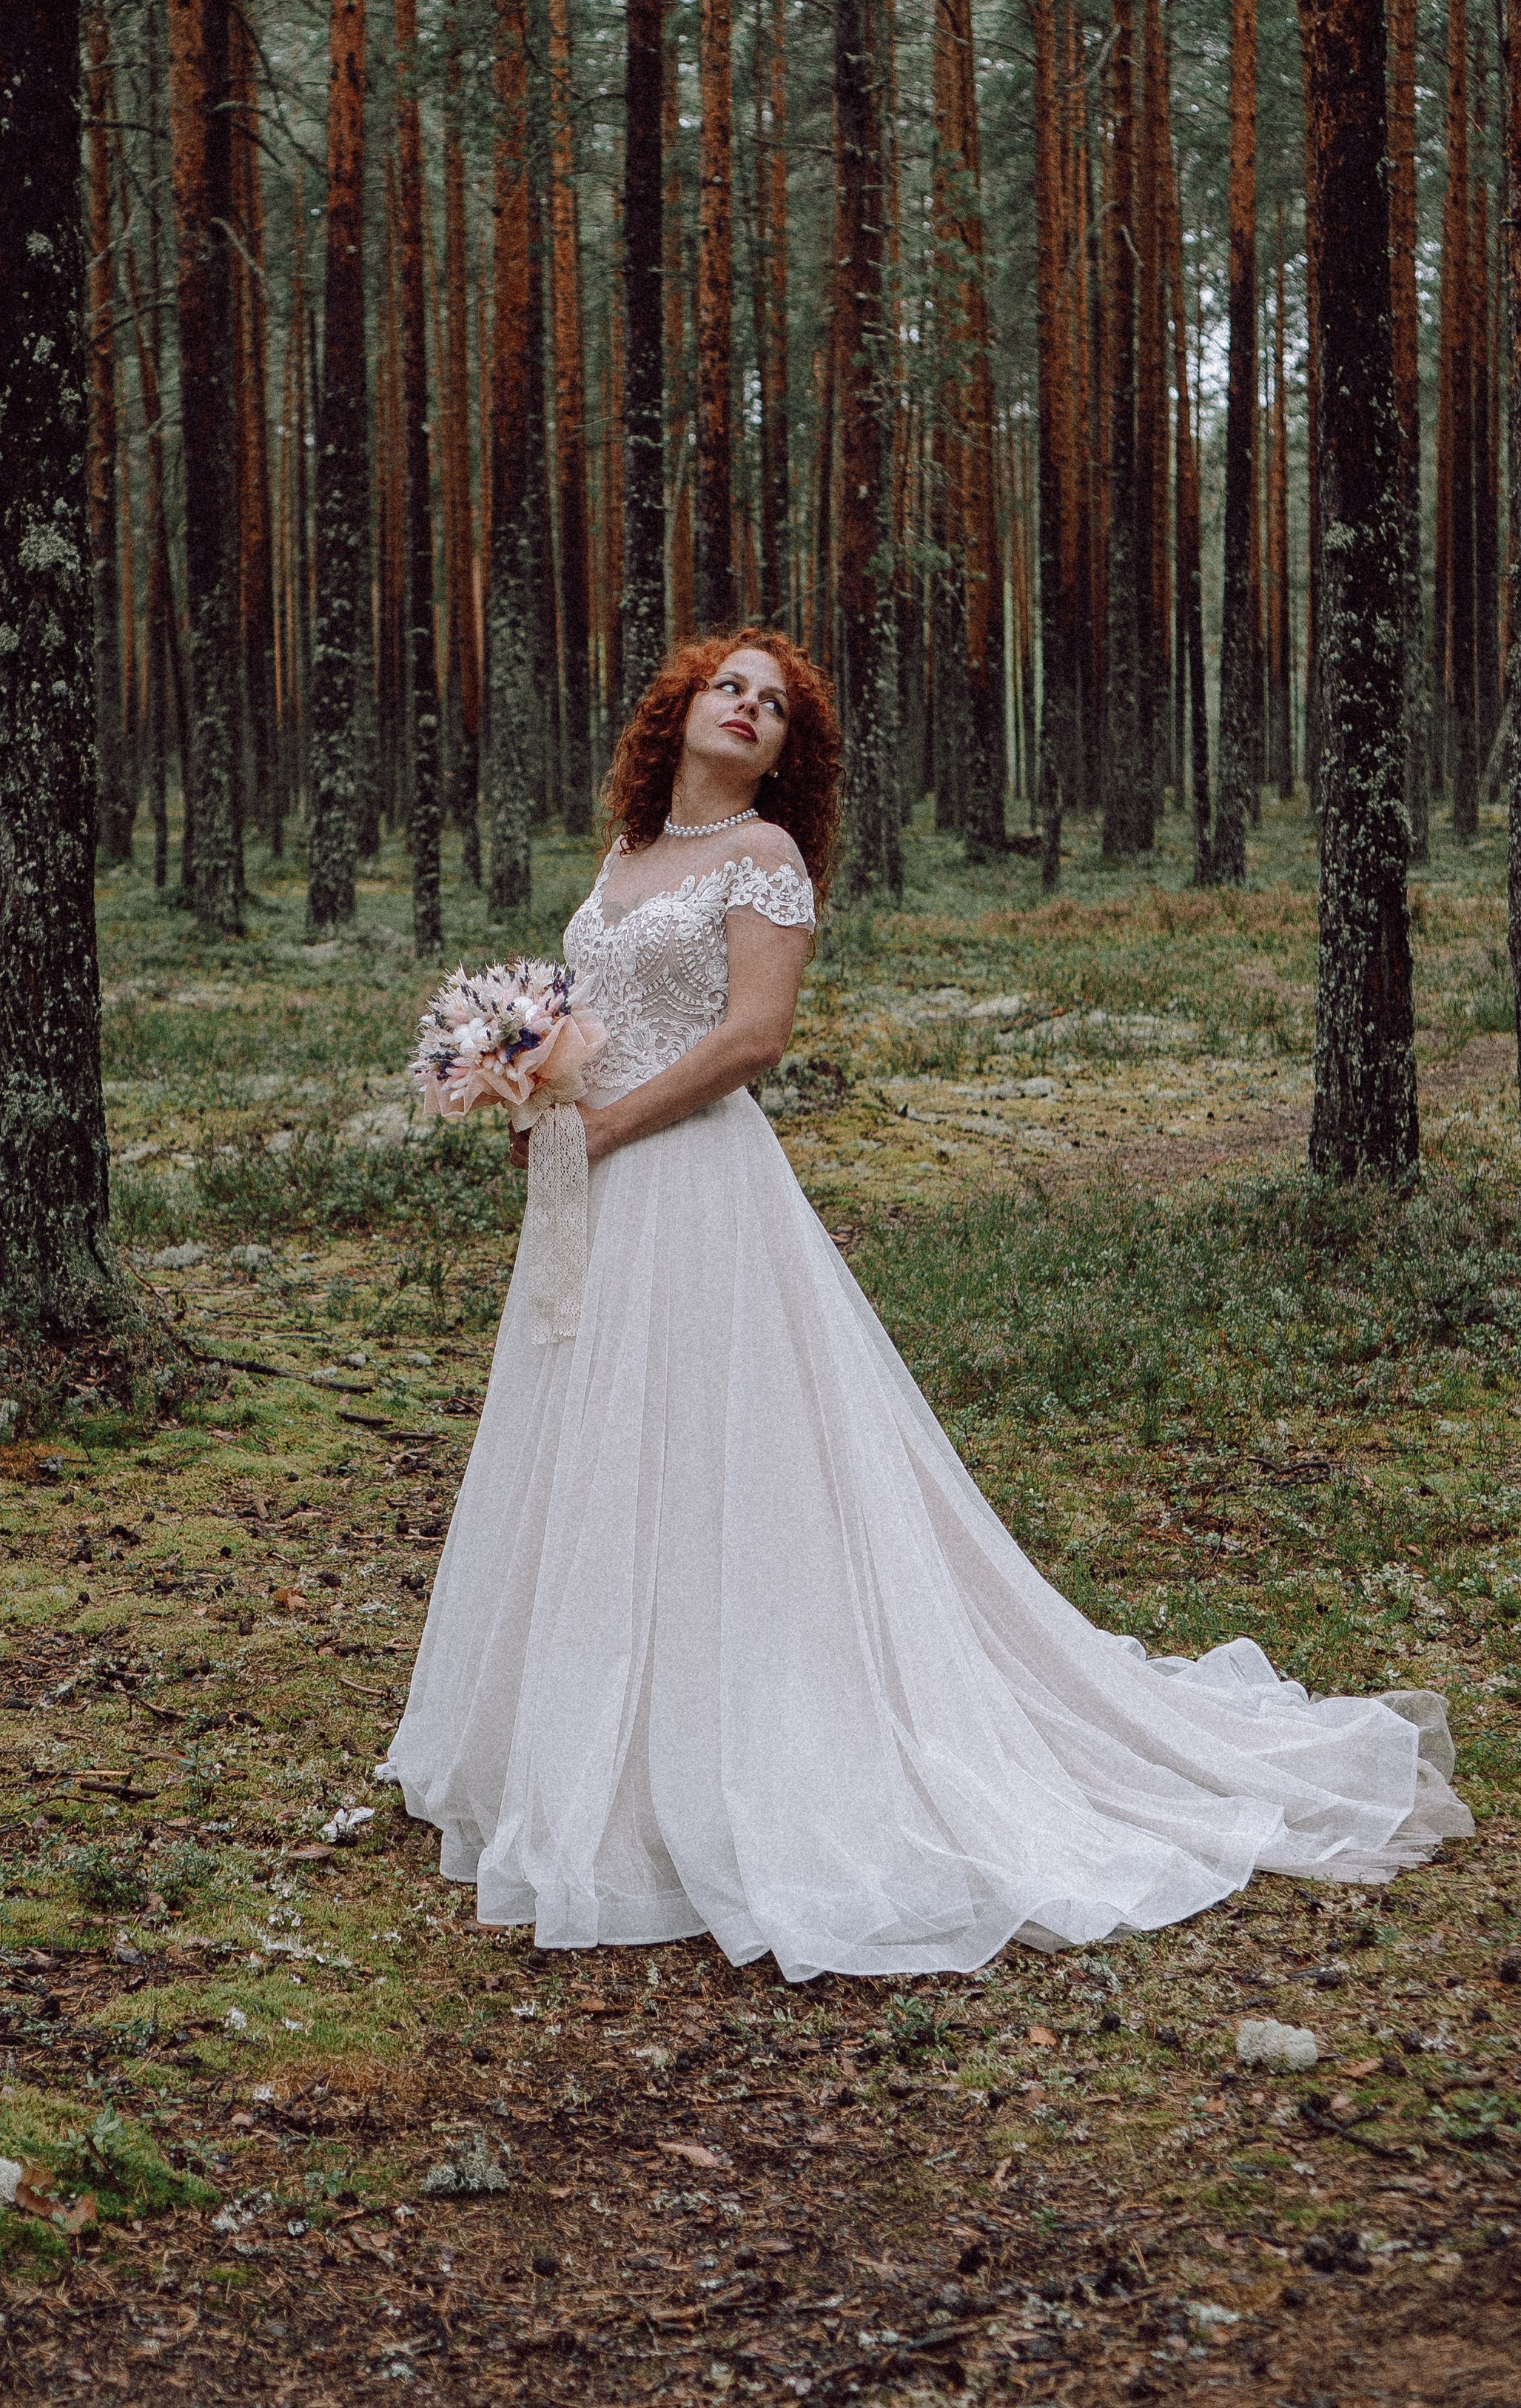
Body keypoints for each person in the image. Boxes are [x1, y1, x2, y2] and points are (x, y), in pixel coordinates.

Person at [383, 631, 1470, 1980]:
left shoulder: (764, 859)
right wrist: (529, 1081)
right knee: (599, 1439)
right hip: (593, 1196)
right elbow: (595, 1014)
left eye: (775, 706)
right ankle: (591, 1737)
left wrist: (602, 1127)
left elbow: (752, 1038)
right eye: (729, 687)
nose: (749, 708)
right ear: (680, 709)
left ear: (789, 753)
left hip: (697, 1185)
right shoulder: (625, 856)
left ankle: (742, 1743)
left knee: (723, 1450)